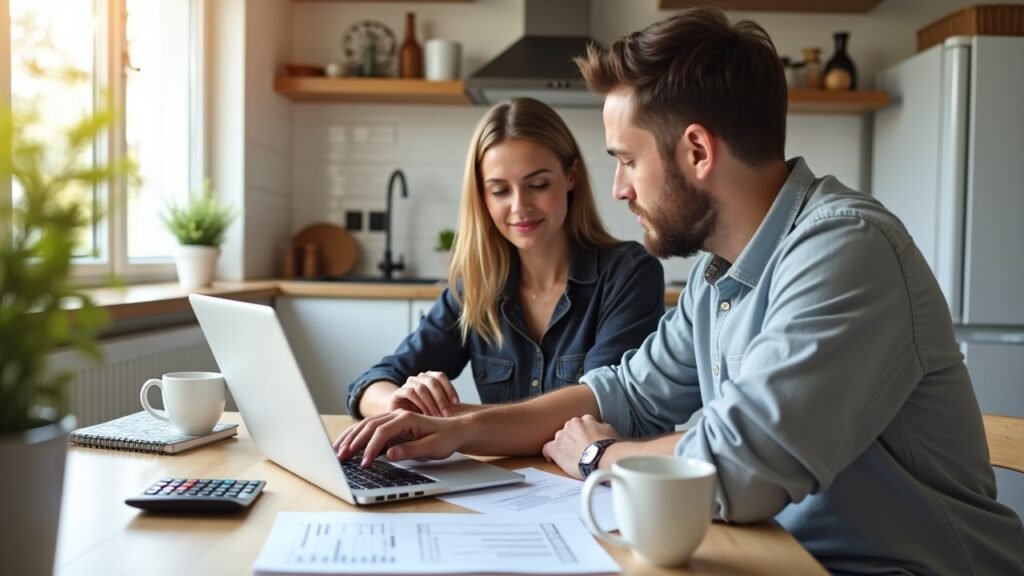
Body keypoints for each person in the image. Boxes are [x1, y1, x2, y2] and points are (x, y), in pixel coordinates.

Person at [335, 7, 1024, 574]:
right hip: (784, 558)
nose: (618, 188)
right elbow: (627, 393)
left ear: (696, 151)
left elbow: (734, 468)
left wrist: (600, 456)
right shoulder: (718, 272)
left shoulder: (846, 250)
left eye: (627, 160)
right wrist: (458, 430)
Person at [346, 97, 664, 419]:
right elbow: (369, 384)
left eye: (538, 184)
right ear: (482, 196)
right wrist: (400, 404)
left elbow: (599, 409)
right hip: (506, 472)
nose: (519, 206)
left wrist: (448, 424)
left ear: (571, 176)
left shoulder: (629, 273)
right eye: (500, 191)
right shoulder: (476, 285)